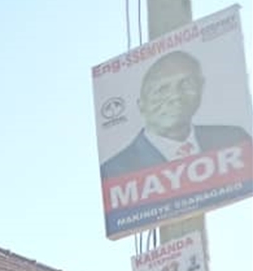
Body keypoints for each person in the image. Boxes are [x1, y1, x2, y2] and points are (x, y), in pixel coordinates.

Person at [100, 50, 253, 179]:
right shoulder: (114, 172)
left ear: (201, 87)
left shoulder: (234, 138)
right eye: (161, 90)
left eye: (186, 84)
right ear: (141, 105)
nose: (175, 96)